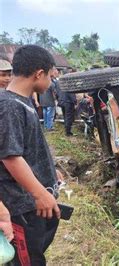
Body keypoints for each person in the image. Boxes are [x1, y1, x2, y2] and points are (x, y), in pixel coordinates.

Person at [0, 45, 61, 265]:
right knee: (28, 260)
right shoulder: (9, 107)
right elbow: (10, 157)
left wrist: (53, 172)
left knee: (36, 253)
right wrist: (39, 193)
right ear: (39, 74)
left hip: (33, 204)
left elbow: (27, 148)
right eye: (51, 76)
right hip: (23, 205)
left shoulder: (22, 103)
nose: (52, 82)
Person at [55, 69, 77, 136]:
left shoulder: (58, 82)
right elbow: (71, 93)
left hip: (61, 101)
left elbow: (56, 92)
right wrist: (75, 102)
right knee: (68, 116)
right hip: (68, 101)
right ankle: (68, 132)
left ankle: (66, 129)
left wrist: (58, 99)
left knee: (65, 116)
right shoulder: (69, 82)